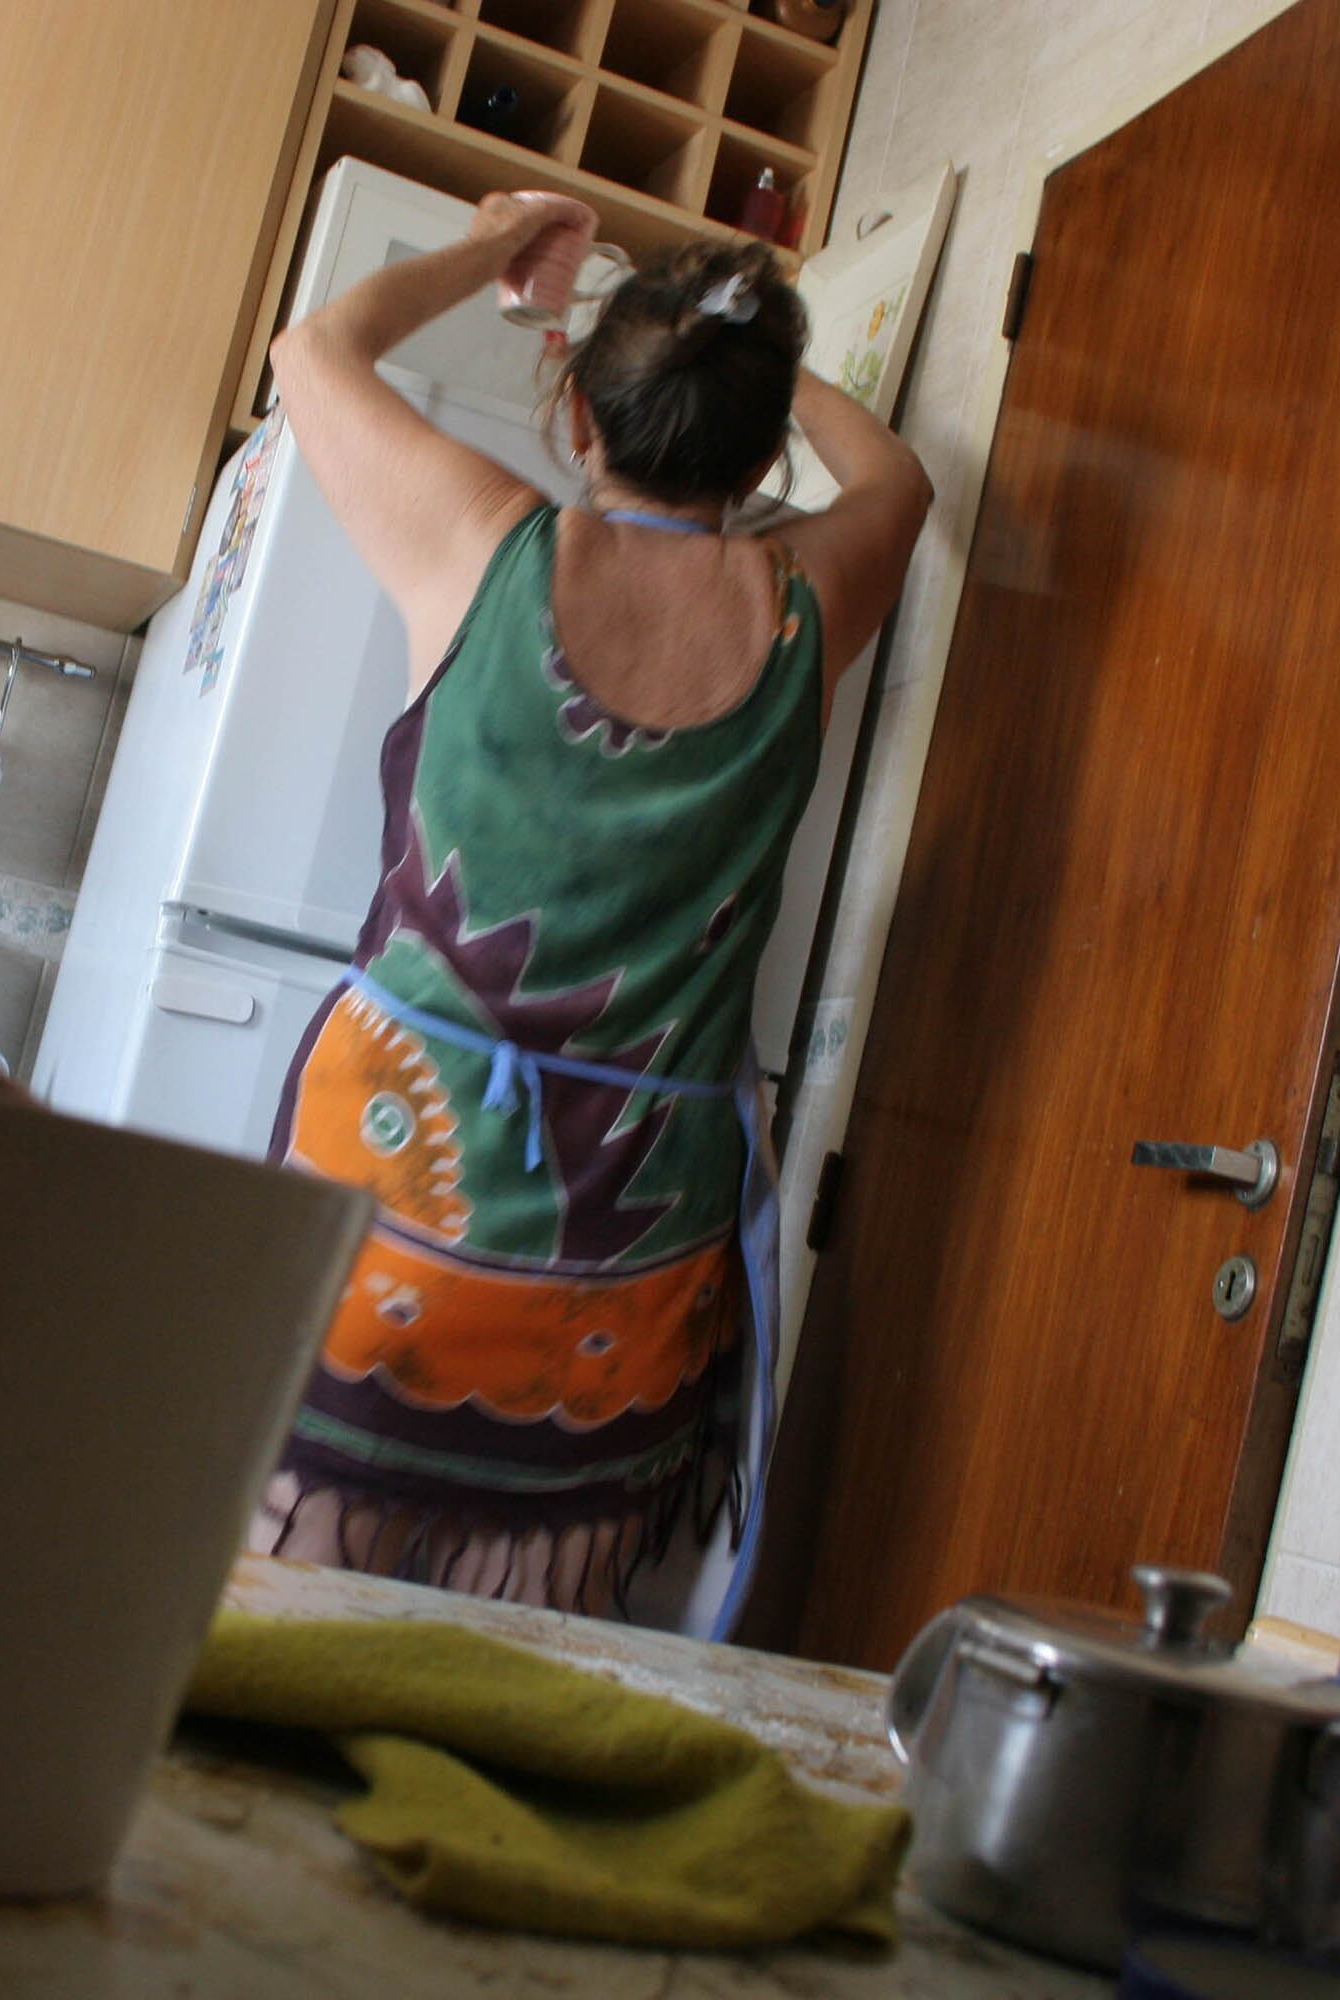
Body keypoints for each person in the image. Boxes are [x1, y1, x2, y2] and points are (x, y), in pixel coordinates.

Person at [253, 196, 931, 1628]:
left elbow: (314, 348)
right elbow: (902, 481)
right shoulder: (809, 602)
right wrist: (736, 349)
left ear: (576, 408)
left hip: (384, 1232)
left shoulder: (482, 549)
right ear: (760, 459)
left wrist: (499, 240)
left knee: (274, 1647)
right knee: (517, 1681)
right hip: (620, 1287)